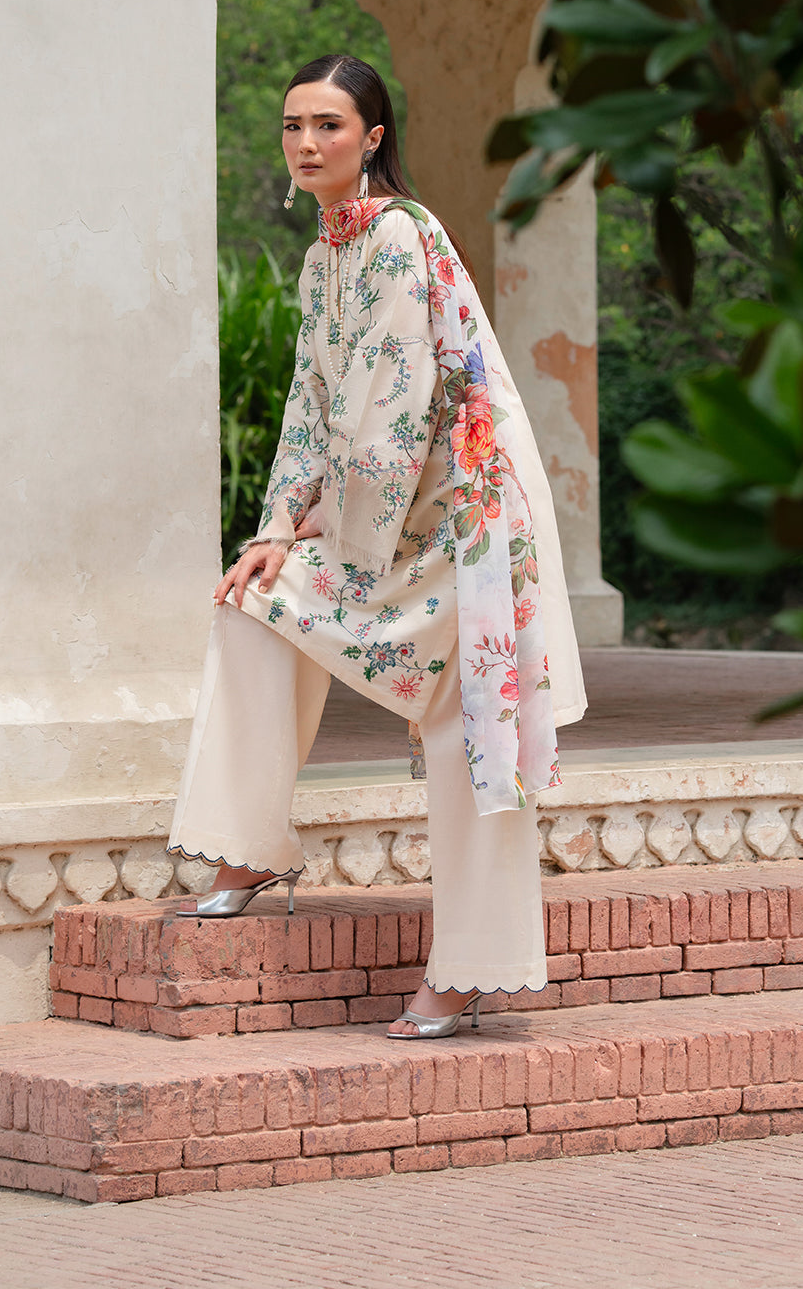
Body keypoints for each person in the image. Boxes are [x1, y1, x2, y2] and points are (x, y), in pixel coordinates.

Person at [168, 53, 586, 1038]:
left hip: (467, 523)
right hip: (380, 517)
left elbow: (393, 403)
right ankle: (248, 845)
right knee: (254, 602)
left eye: (329, 126)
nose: (307, 143)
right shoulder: (324, 259)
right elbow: (311, 407)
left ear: (373, 139)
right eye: (293, 126)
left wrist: (337, 526)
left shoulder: (399, 234)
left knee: (471, 735)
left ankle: (471, 967)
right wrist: (279, 529)